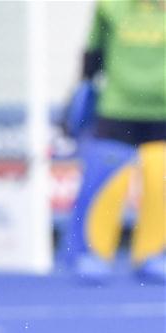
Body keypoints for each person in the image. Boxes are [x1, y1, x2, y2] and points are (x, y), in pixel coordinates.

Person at [62, 0, 165, 284]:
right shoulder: (111, 5)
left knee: (161, 182)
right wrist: (80, 92)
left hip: (163, 113)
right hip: (118, 108)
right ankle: (90, 254)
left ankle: (154, 255)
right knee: (105, 180)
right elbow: (93, 53)